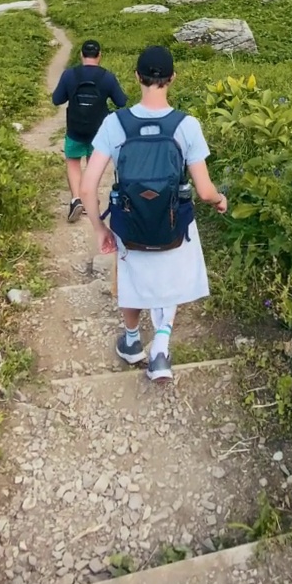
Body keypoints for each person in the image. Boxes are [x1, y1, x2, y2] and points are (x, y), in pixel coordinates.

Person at [81, 45, 227, 382]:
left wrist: (100, 229)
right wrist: (220, 200)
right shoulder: (187, 125)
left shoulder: (114, 123)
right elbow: (204, 192)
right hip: (173, 225)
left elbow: (88, 188)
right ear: (172, 78)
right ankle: (161, 347)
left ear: (137, 77)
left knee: (133, 279)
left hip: (130, 224)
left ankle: (132, 342)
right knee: (171, 273)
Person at [52, 39, 127, 222]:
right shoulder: (107, 77)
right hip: (98, 131)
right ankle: (89, 199)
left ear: (81, 55)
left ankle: (76, 199)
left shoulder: (69, 75)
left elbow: (57, 100)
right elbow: (122, 102)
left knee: (73, 162)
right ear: (99, 55)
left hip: (75, 129)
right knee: (93, 165)